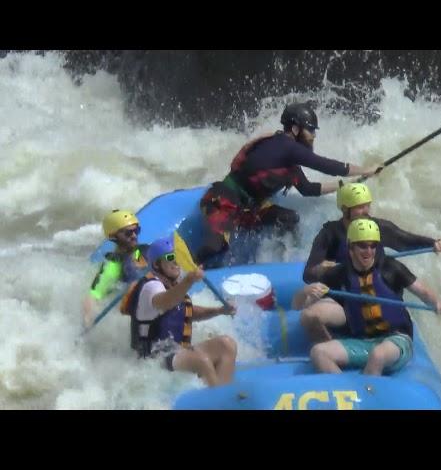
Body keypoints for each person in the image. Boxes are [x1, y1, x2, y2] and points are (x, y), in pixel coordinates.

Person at [196, 101, 382, 267]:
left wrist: (346, 185)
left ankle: (285, 263)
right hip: (222, 202)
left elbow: (309, 189)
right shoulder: (285, 146)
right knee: (216, 247)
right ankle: (182, 276)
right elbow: (327, 165)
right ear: (295, 129)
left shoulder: (287, 159)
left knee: (288, 219)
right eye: (310, 130)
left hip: (247, 210)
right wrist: (367, 170)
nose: (313, 136)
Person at [292, 218, 441, 375]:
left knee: (378, 355)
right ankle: (349, 391)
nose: (369, 251)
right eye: (363, 246)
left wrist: (437, 303)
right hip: (363, 341)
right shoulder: (338, 274)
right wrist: (306, 292)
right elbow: (297, 306)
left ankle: (371, 390)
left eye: (373, 245)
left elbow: (423, 291)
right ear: (350, 248)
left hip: (396, 340)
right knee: (318, 352)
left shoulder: (391, 267)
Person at [120, 236, 237, 387]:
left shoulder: (172, 284)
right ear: (156, 264)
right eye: (170, 257)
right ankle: (217, 402)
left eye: (177, 257)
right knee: (202, 361)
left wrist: (219, 310)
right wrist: (189, 280)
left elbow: (185, 311)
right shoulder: (151, 287)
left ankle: (222, 392)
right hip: (153, 356)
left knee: (226, 344)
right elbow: (165, 303)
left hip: (175, 350)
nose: (176, 262)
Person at [303, 182, 441, 283]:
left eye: (367, 206)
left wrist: (433, 243)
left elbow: (405, 241)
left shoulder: (379, 227)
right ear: (345, 209)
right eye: (359, 207)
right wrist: (321, 269)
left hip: (374, 286)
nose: (366, 211)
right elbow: (308, 275)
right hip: (345, 289)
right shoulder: (329, 234)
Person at [82, 210, 148, 328]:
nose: (134, 236)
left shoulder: (138, 252)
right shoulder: (113, 265)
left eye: (136, 231)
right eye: (128, 233)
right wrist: (87, 320)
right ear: (113, 236)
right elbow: (93, 296)